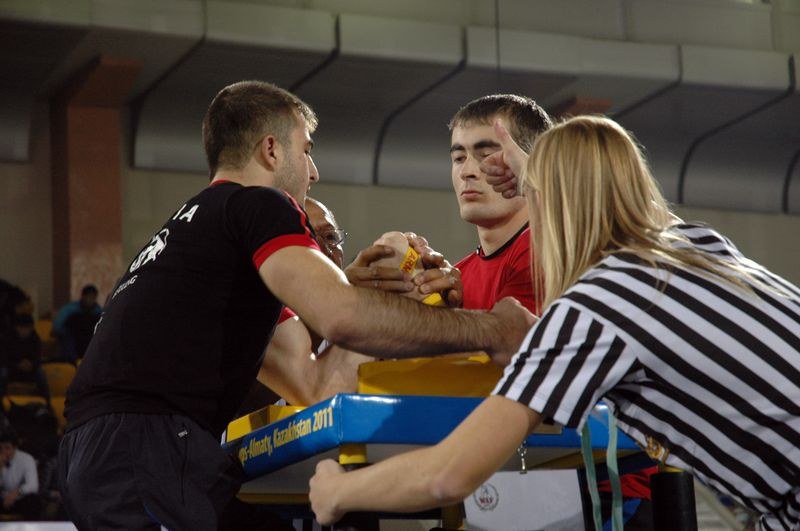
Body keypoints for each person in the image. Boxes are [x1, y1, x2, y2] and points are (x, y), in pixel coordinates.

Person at [57, 80, 534, 530]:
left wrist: (379, 293)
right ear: (270, 149)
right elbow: (342, 316)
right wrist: (491, 329)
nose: (314, 171)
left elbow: (316, 385)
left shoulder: (195, 234)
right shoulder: (260, 204)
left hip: (109, 452)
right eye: (306, 149)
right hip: (144, 447)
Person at [309, 115, 800, 530]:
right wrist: (541, 166)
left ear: (544, 203)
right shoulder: (696, 246)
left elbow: (449, 474)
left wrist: (340, 490)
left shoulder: (596, 309)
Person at [448, 94, 551, 315]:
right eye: (459, 158)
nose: (467, 172)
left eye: (486, 155)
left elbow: (506, 337)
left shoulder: (553, 250)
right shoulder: (455, 278)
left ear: (531, 163)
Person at [0, 313, 50, 403]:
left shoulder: (35, 338)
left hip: (30, 368)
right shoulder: (6, 338)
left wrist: (31, 364)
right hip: (11, 368)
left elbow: (38, 357)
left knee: (41, 373)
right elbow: (3, 359)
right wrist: (17, 365)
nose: (25, 331)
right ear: (16, 328)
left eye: (27, 328)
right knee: (2, 373)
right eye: (22, 328)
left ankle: (47, 403)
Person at [52, 285, 102, 362]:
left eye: (93, 297)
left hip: (89, 339)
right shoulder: (70, 309)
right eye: (88, 297)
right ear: (83, 296)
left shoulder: (98, 311)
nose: (90, 300)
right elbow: (57, 328)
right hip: (71, 338)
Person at [0, 429, 42, 520]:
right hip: (2, 498)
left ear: (15, 447)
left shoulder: (26, 459)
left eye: (7, 448)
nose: (3, 451)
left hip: (19, 498)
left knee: (33, 501)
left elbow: (33, 485)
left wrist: (16, 493)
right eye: (1, 448)